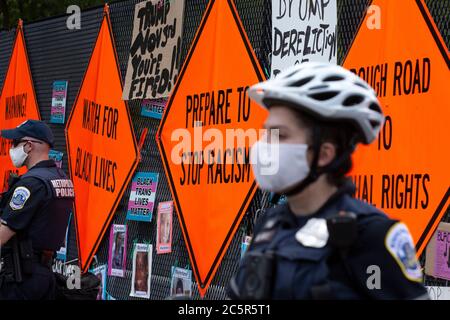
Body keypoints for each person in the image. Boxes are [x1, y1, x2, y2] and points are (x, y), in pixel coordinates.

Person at [228, 62, 429, 300]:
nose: (264, 147)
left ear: (324, 154)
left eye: (280, 135)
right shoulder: (269, 225)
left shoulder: (370, 235)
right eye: (266, 134)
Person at [0, 120, 74, 300]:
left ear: (28, 145)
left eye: (15, 143)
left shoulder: (31, 184)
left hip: (21, 279)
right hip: (44, 275)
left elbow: (2, 234)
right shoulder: (61, 178)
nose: (12, 148)